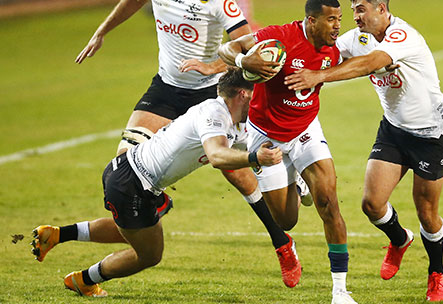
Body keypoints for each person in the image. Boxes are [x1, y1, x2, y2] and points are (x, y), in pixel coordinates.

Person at [69, 0, 299, 287]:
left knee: (236, 173)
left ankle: (281, 242)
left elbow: (246, 49)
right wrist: (102, 31)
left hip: (209, 90)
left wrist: (211, 66)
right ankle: (137, 228)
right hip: (165, 90)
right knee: (124, 165)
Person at [30, 68, 286, 297]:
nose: (262, 100)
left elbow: (253, 145)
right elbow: (218, 157)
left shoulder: (233, 122)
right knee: (150, 254)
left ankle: (57, 235)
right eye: (258, 94)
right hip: (132, 185)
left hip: (133, 178)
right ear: (243, 94)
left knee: (132, 231)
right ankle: (83, 281)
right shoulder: (213, 113)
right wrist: (254, 158)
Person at [285, 0, 443, 302]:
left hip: (431, 134)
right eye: (353, 11)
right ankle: (400, 239)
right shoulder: (357, 37)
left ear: (382, 9)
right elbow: (326, 49)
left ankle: (436, 271)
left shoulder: (403, 37)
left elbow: (371, 64)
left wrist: (319, 76)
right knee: (371, 205)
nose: (355, 17)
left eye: (360, 10)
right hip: (393, 130)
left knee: (427, 212)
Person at [218, 0, 357, 304]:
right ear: (311, 20)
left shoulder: (337, 48)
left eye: (339, 19)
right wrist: (245, 60)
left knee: (329, 203)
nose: (337, 26)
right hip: (267, 136)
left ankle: (340, 291)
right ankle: (296, 185)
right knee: (285, 221)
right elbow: (226, 48)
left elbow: (365, 61)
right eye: (331, 19)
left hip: (307, 130)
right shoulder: (279, 37)